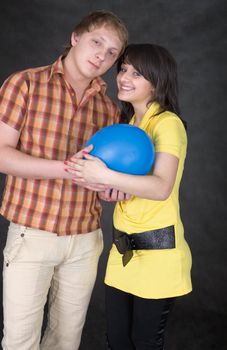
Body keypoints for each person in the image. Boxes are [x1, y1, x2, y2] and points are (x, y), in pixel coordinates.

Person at [0, 10, 128, 350]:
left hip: (84, 240)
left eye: (113, 52)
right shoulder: (24, 84)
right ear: (75, 38)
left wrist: (109, 188)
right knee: (21, 342)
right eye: (97, 42)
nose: (103, 56)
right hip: (31, 233)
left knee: (66, 341)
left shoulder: (108, 110)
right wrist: (69, 168)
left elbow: (101, 177)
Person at [66, 43, 192, 349]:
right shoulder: (130, 125)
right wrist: (113, 190)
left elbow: (161, 187)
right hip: (123, 255)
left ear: (157, 81)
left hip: (158, 256)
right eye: (123, 69)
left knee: (144, 343)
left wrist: (104, 175)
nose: (124, 77)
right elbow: (134, 185)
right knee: (118, 341)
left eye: (137, 73)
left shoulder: (168, 124)